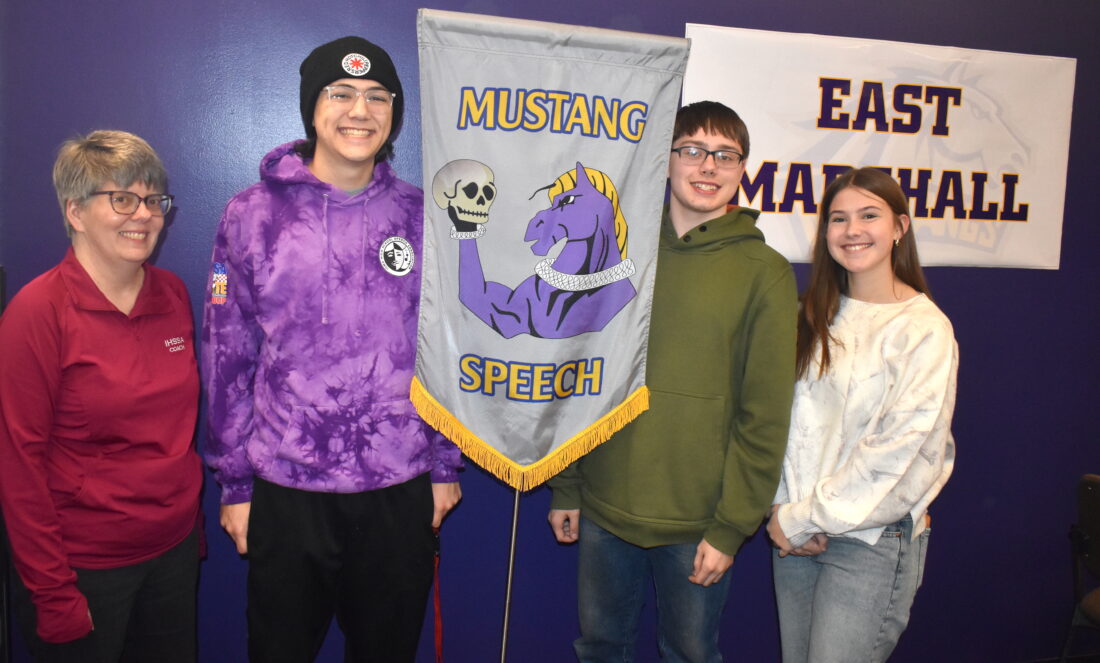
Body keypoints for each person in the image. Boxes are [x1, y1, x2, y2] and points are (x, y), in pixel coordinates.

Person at [202, 36, 462, 663]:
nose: (360, 111)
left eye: (378, 97)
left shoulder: (423, 218)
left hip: (398, 484)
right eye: (340, 93)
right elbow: (226, 353)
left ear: (394, 113)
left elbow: (447, 345)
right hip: (287, 486)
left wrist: (444, 465)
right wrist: (234, 483)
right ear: (312, 108)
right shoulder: (251, 216)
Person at [548, 100, 798, 662]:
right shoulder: (619, 251)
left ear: (742, 169)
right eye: (692, 150)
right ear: (666, 159)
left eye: (725, 155)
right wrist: (567, 483)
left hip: (699, 522)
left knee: (689, 654)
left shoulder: (766, 274)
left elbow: (765, 416)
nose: (708, 166)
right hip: (604, 505)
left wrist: (731, 527)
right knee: (600, 649)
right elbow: (577, 370)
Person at [0, 130, 202, 662]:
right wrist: (52, 593)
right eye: (122, 199)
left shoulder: (173, 294)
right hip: (83, 567)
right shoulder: (37, 312)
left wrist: (189, 528)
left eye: (154, 200)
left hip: (172, 554)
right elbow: (18, 466)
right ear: (75, 211)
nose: (145, 215)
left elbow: (175, 433)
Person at [767, 167, 958, 662]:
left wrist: (804, 517)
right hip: (799, 538)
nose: (852, 230)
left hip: (870, 542)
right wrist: (783, 511)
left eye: (869, 215)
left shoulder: (924, 329)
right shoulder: (809, 315)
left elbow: (897, 450)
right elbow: (780, 422)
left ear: (899, 227)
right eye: (839, 218)